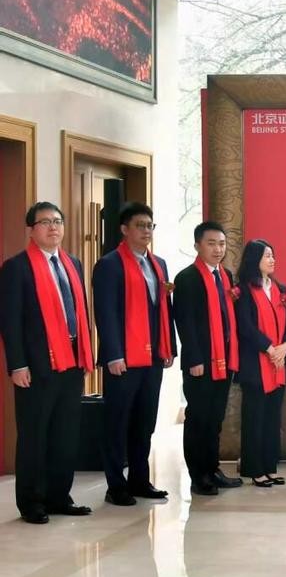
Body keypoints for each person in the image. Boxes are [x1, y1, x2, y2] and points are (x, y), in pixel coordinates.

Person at [0, 202, 94, 524]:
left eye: (57, 221)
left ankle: (59, 496)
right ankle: (32, 502)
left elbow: (80, 313)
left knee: (65, 435)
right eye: (45, 222)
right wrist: (17, 365)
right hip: (36, 367)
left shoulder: (73, 263)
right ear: (31, 229)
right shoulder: (17, 267)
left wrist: (85, 354)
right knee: (35, 435)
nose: (53, 227)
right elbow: (10, 321)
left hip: (71, 362)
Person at [92, 202, 176, 506]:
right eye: (140, 225)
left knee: (144, 421)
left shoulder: (159, 264)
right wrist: (114, 354)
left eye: (150, 226)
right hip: (124, 358)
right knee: (117, 422)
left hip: (153, 356)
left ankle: (140, 480)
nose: (146, 231)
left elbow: (164, 309)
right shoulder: (109, 264)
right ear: (124, 229)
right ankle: (116, 486)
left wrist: (169, 346)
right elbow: (105, 313)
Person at [173, 221, 243, 496]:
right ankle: (198, 476)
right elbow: (185, 322)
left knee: (215, 418)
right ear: (197, 246)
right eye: (211, 243)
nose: (218, 249)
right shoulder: (187, 278)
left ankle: (213, 469)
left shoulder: (226, 276)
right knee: (198, 418)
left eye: (222, 244)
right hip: (200, 362)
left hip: (223, 359)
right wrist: (194, 358)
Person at [235, 239, 286, 488]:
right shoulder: (244, 290)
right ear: (255, 259)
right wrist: (269, 348)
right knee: (254, 418)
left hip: (279, 362)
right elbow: (245, 326)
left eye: (273, 255)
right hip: (256, 364)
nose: (272, 260)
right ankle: (254, 469)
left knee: (272, 418)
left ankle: (270, 467)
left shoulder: (280, 288)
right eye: (267, 255)